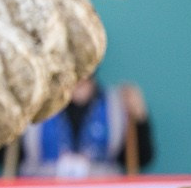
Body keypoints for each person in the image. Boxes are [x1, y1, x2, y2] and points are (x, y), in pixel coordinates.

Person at [11, 74, 153, 178]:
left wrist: (140, 120)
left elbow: (141, 159)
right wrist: (11, 119)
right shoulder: (34, 103)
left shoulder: (115, 104)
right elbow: (9, 159)